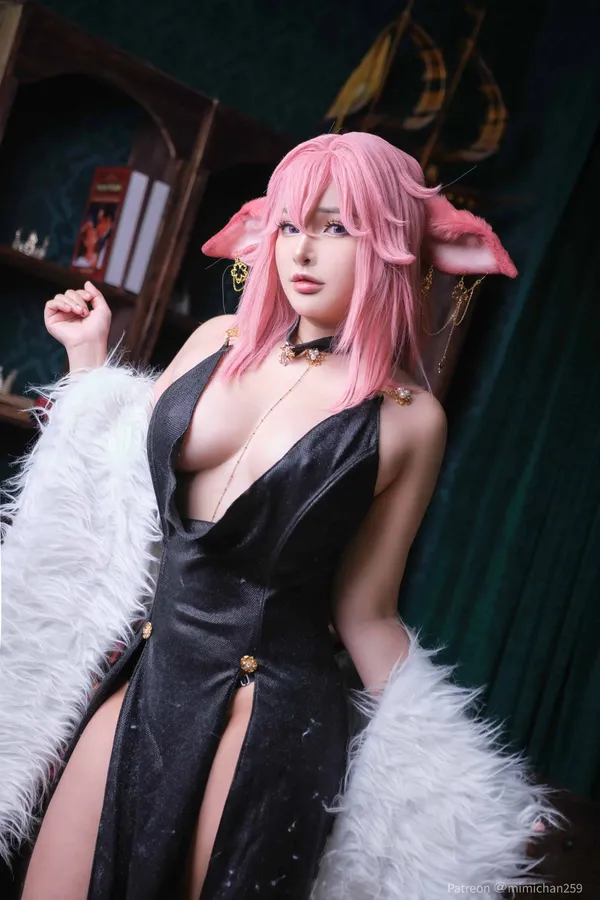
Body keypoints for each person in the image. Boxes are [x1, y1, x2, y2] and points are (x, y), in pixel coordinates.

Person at [0, 132, 561, 900]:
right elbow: (122, 492)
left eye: (337, 227)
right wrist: (89, 361)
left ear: (391, 243)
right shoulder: (216, 341)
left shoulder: (409, 418)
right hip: (149, 675)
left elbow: (367, 614)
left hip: (265, 710)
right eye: (291, 224)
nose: (303, 249)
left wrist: (463, 784)